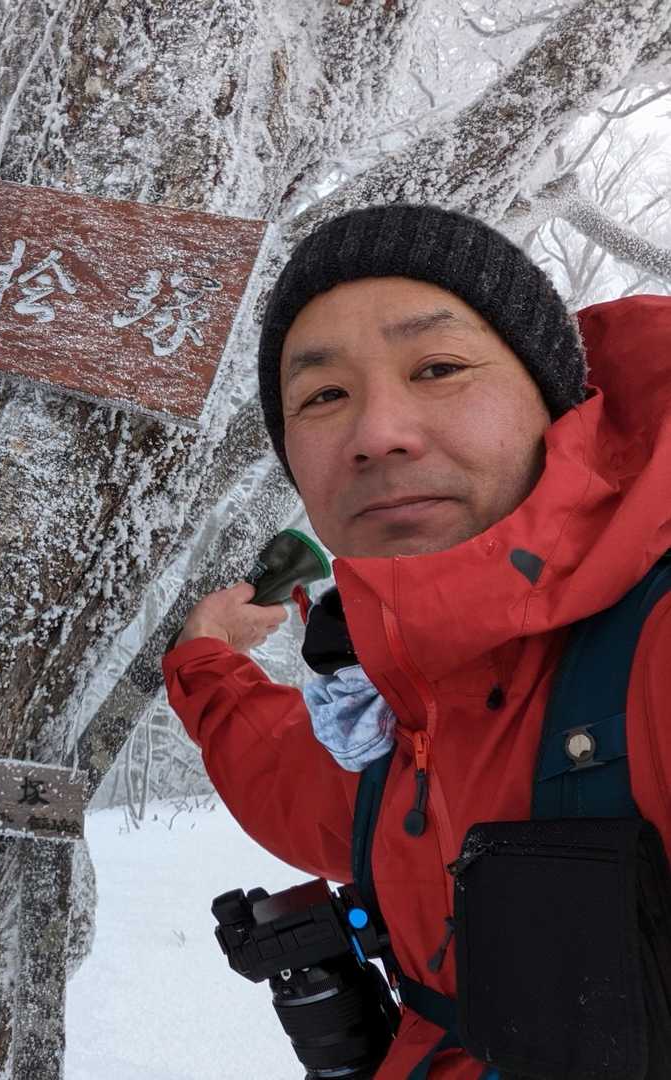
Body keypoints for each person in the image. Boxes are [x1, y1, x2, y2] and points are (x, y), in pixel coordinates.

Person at [163, 204, 671, 1078]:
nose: (376, 434)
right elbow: (283, 772)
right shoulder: (390, 721)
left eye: (438, 367)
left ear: (553, 399)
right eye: (323, 395)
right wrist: (203, 656)